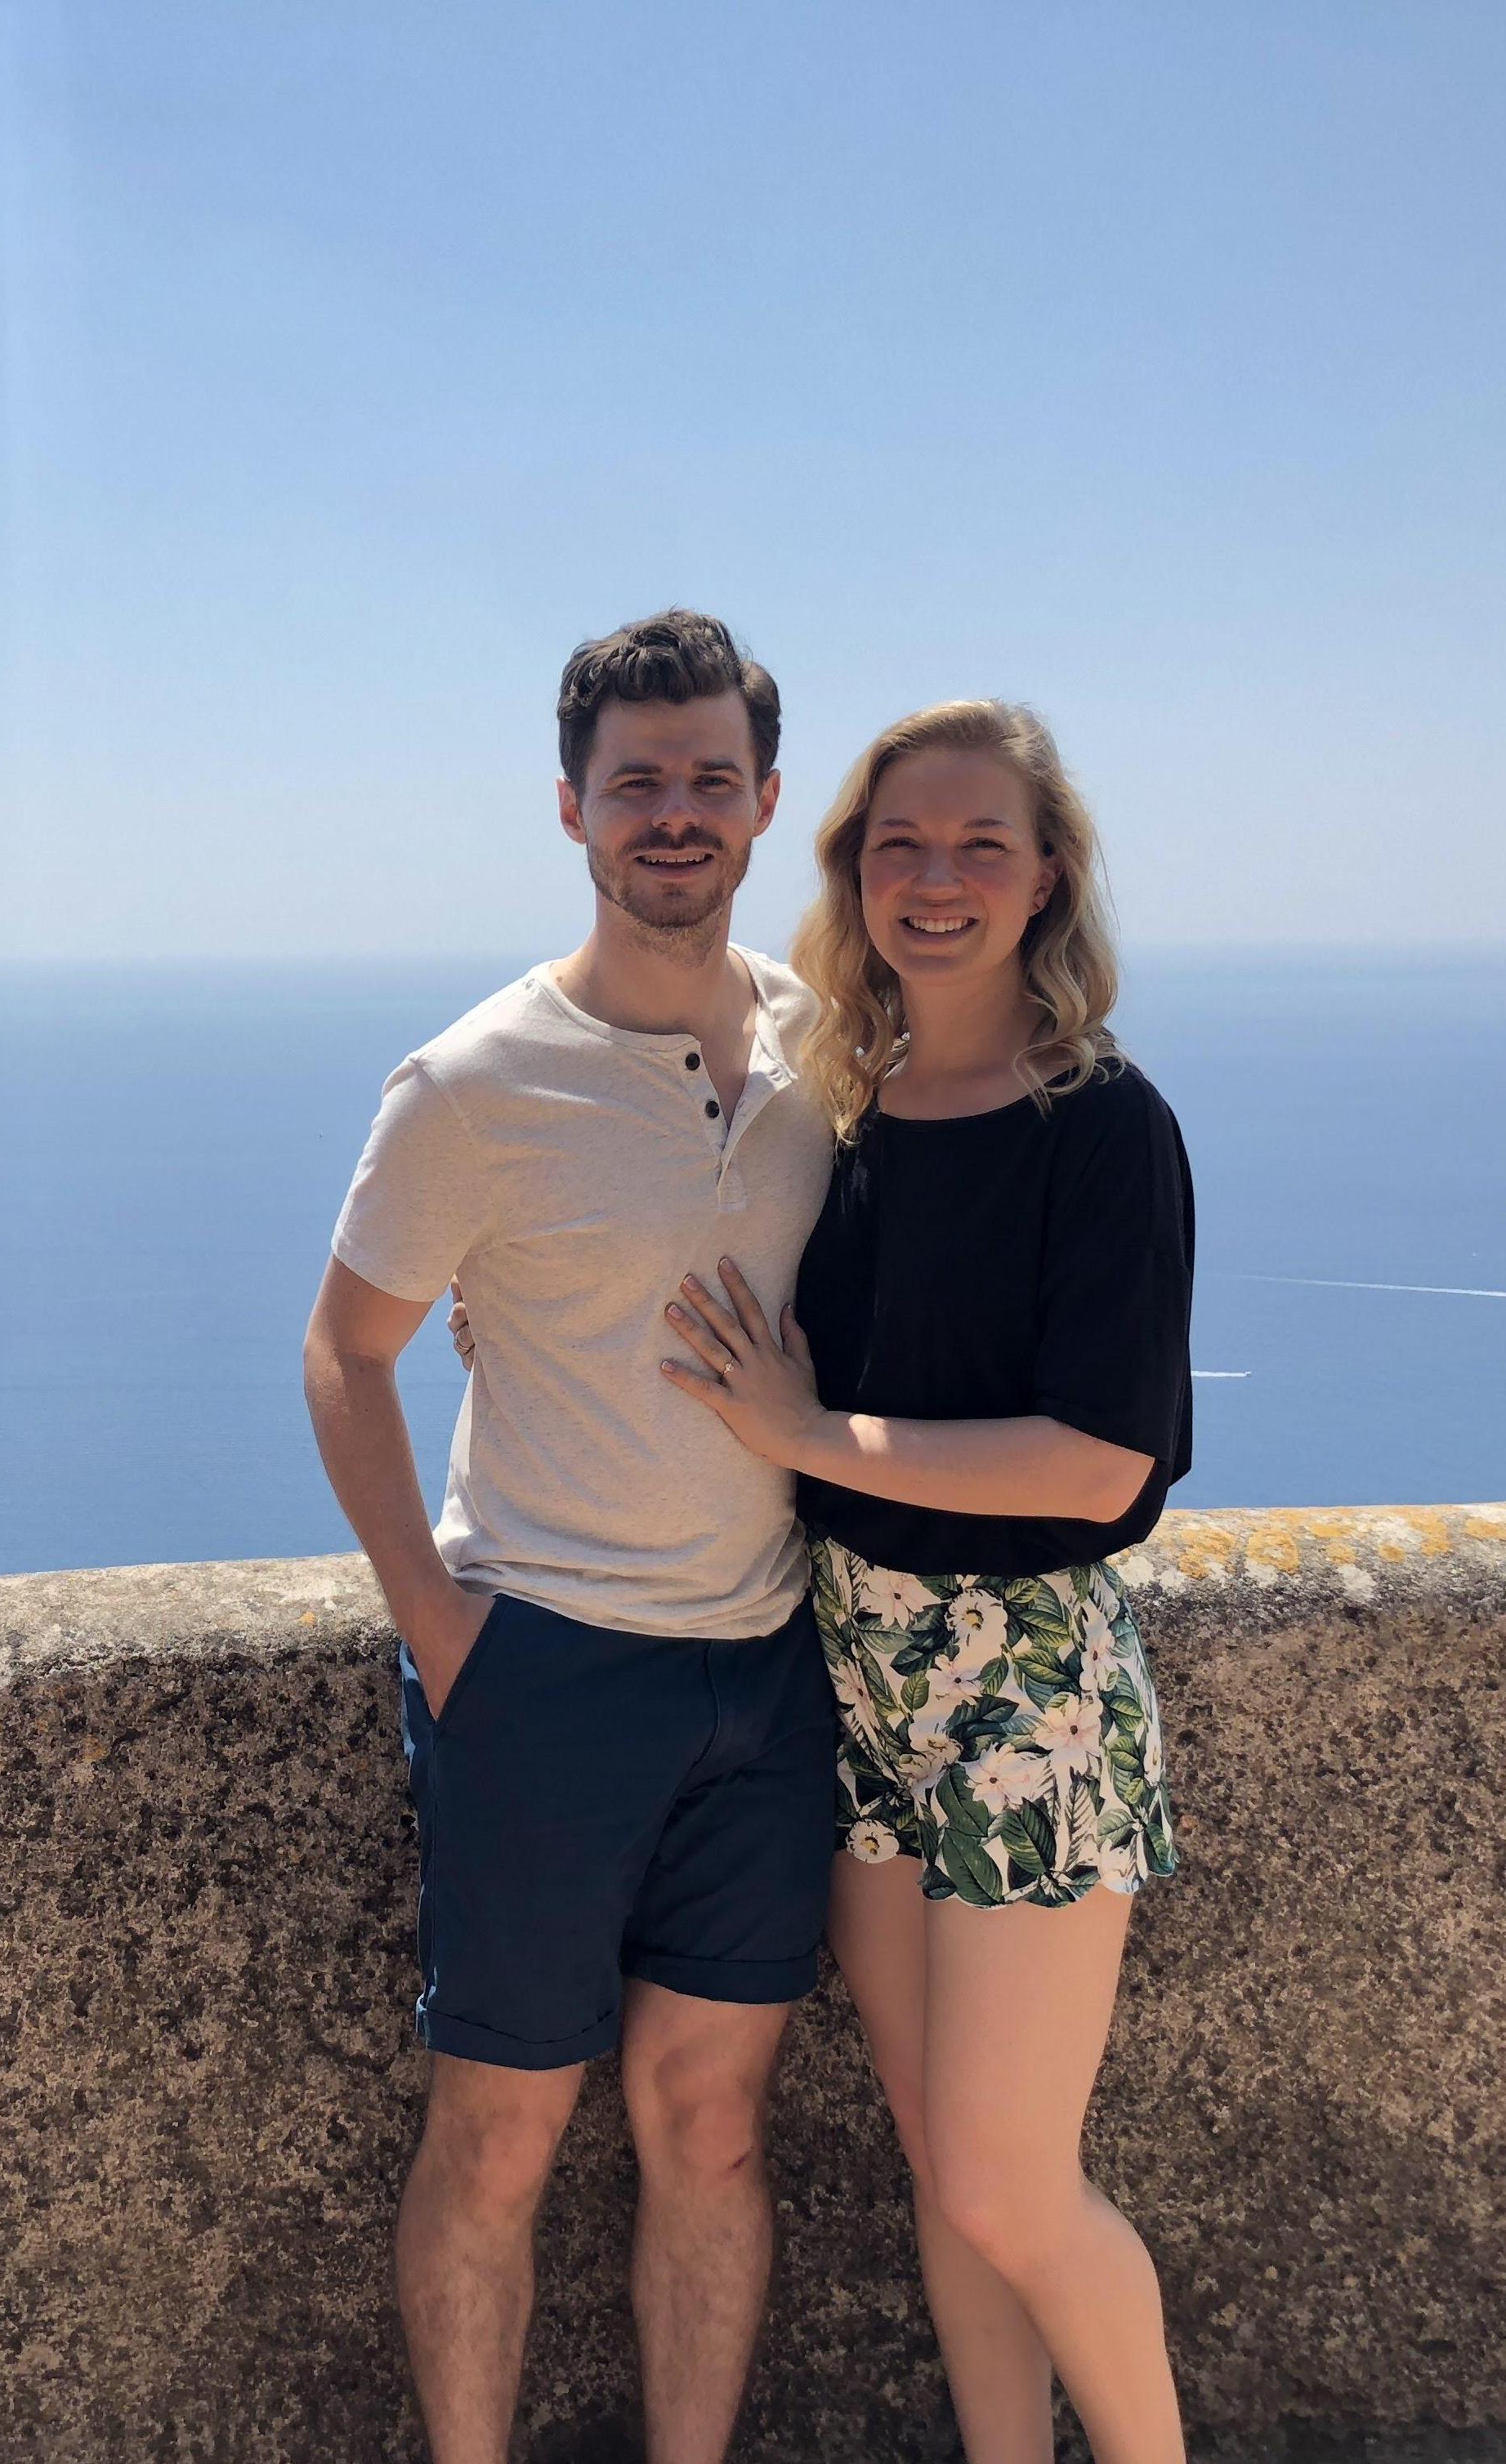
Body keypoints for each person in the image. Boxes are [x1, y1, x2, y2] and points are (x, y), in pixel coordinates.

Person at [302, 609, 839, 2464]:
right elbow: (341, 1352)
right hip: (544, 1667)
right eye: (637, 783)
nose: (671, 815)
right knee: (498, 2132)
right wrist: (442, 1629)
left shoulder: (817, 1046)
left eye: (708, 778)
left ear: (765, 800)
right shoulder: (467, 1084)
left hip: (766, 1676)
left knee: (712, 2126)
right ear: (570, 807)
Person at [650, 700, 1194, 2463]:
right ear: (851, 870)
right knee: (936, 2166)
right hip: (863, 1680)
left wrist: (810, 1434)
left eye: (980, 845)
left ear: (1044, 879)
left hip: (1023, 1686)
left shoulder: (1100, 1123)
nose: (935, 879)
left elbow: (1095, 1461)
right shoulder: (850, 1112)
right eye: (900, 843)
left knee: (1005, 2181)